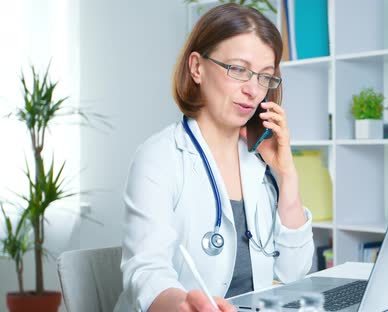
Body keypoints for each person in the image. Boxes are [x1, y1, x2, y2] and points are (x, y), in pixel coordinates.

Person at [113, 4, 314, 312]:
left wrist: (287, 176)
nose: (253, 90)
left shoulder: (259, 161)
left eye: (265, 77)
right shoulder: (159, 158)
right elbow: (147, 272)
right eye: (238, 69)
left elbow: (294, 274)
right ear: (197, 67)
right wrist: (184, 305)